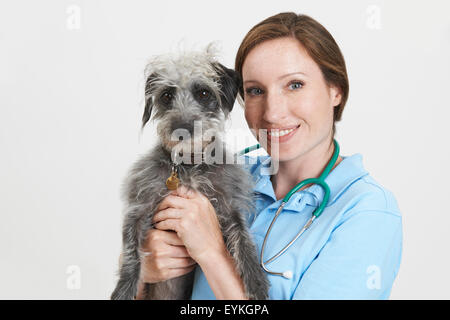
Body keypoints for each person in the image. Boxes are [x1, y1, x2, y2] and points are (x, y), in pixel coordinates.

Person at [134, 12, 403, 300]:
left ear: (335, 89)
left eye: (295, 85)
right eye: (255, 90)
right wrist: (147, 277)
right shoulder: (224, 175)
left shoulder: (367, 212)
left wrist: (213, 254)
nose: (272, 112)